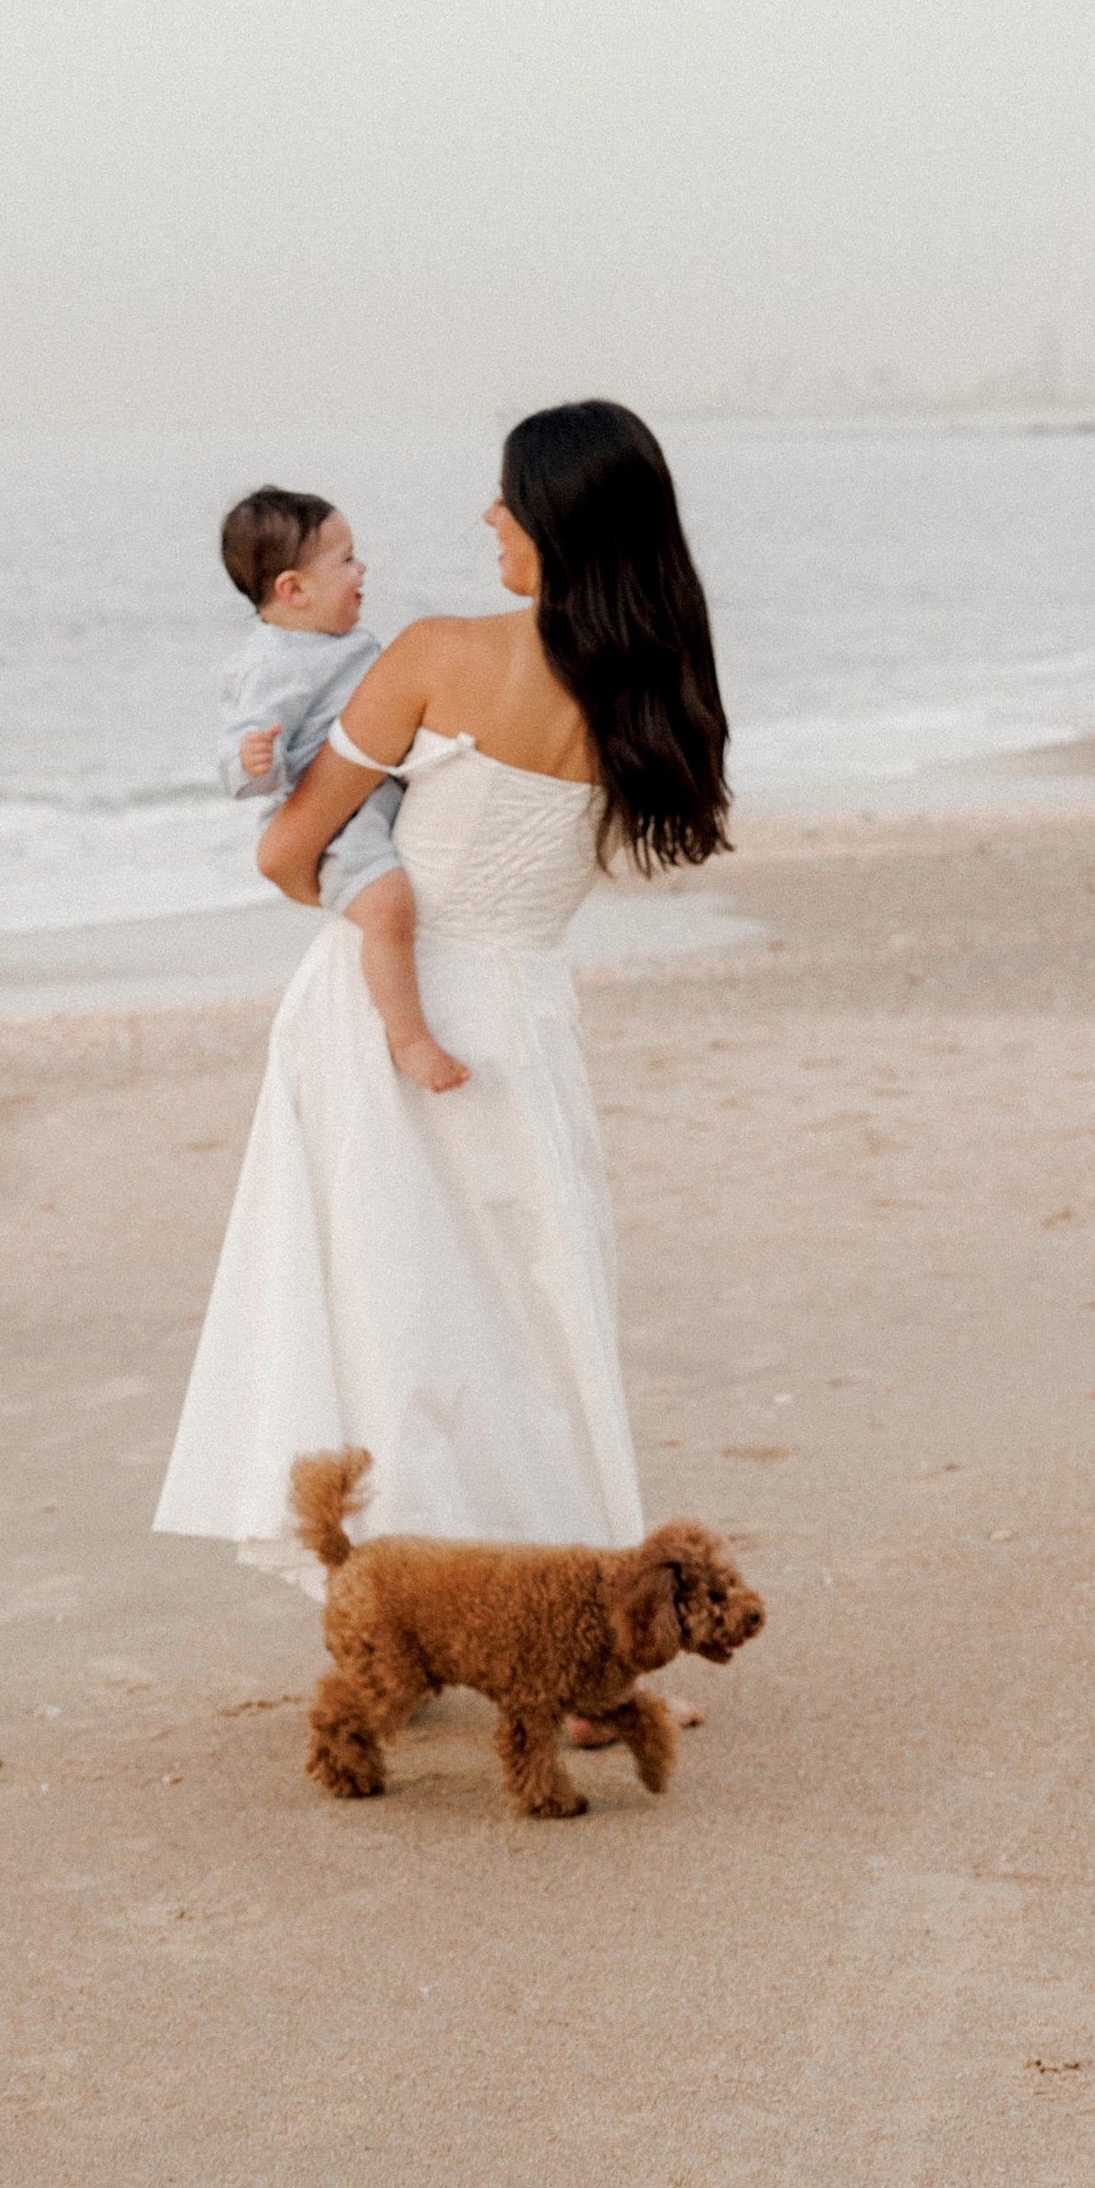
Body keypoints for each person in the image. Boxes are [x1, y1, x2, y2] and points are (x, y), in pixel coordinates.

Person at [153, 400, 728, 1595]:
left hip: (383, 1012)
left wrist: (365, 882)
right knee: (543, 1328)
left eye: (509, 497)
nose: (489, 515)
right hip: (524, 1014)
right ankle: (574, 1618)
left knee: (390, 1325)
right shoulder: (657, 691)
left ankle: (406, 1608)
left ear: (558, 521)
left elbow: (284, 852)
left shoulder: (433, 653)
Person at [214, 485, 464, 1094]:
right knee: (388, 909)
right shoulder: (271, 662)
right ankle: (407, 1036)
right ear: (294, 591)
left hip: (380, 792)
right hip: (336, 822)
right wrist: (254, 760)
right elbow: (239, 756)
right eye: (347, 559)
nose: (362, 568)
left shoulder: (342, 640)